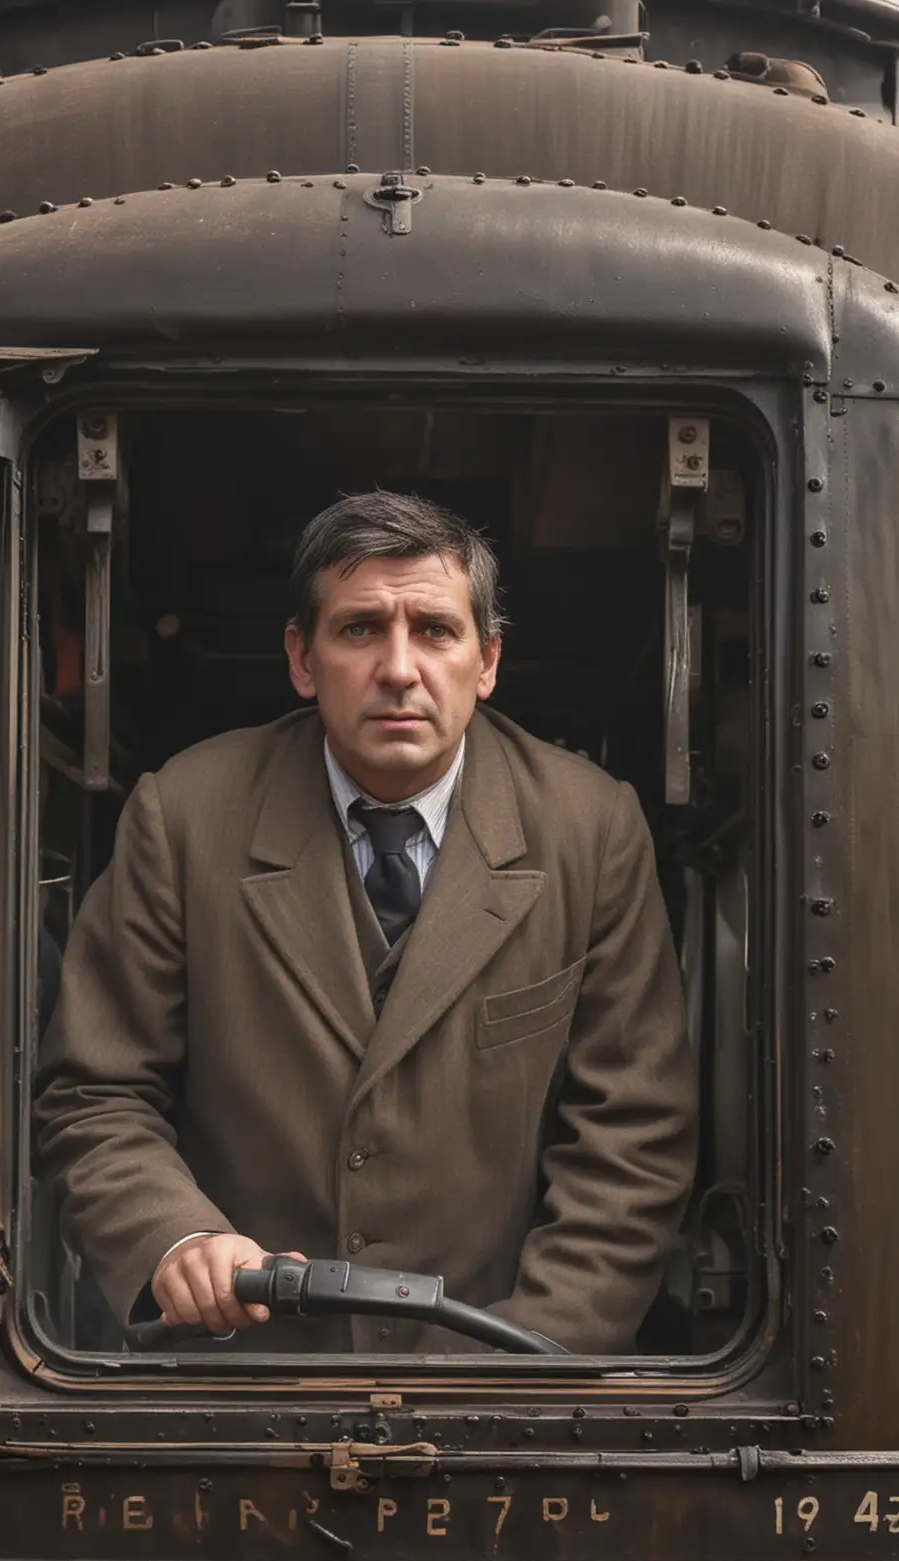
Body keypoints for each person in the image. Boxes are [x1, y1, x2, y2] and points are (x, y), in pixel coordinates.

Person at [36, 491, 697, 1355]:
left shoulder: (592, 828)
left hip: (505, 1388)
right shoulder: (185, 815)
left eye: (434, 630)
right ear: (301, 660)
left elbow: (633, 1138)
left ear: (487, 661)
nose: (398, 667)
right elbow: (95, 1093)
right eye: (358, 630)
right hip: (239, 1386)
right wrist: (178, 1239)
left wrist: (515, 1366)